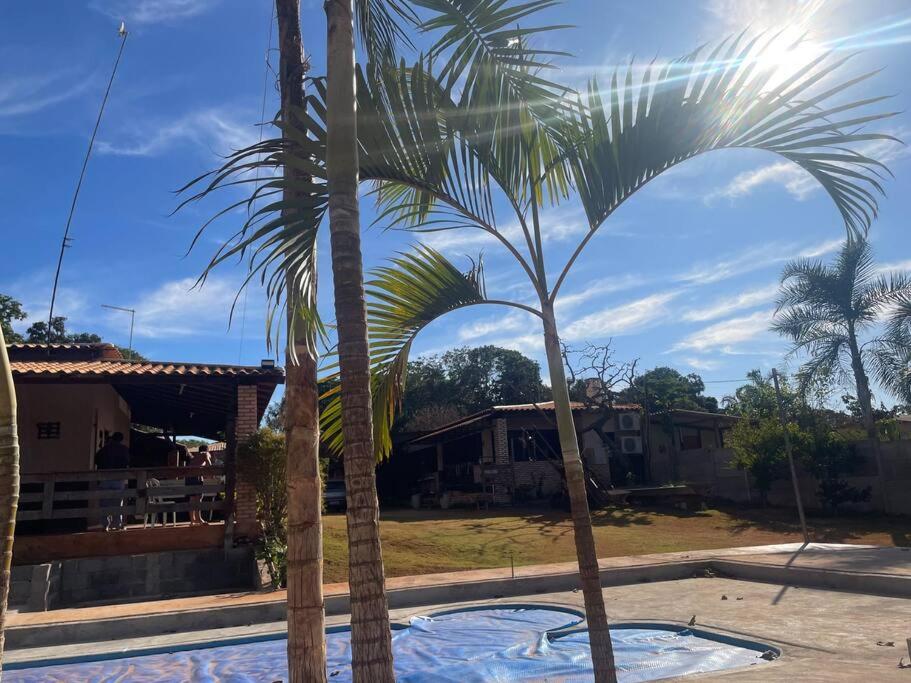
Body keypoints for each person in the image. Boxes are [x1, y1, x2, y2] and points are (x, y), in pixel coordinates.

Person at [95, 432, 131, 531]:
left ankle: (104, 524)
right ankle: (116, 524)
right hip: (118, 478)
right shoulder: (123, 449)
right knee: (118, 502)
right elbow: (127, 461)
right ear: (121, 439)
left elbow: (96, 460)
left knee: (104, 503)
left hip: (104, 478)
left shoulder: (104, 449)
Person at [187, 444, 212, 526]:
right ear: (207, 450)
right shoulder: (205, 453)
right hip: (196, 477)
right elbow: (209, 464)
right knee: (198, 498)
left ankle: (192, 520)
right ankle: (199, 519)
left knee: (192, 498)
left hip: (189, 477)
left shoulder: (195, 456)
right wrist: (209, 474)